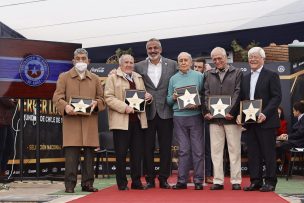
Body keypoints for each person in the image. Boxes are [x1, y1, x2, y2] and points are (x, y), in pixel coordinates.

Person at [53, 48, 106, 193]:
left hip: (89, 122)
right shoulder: (64, 77)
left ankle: (87, 184)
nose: (81, 61)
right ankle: (69, 185)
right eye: (78, 58)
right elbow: (57, 97)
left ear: (88, 61)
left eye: (84, 58)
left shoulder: (95, 78)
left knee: (89, 154)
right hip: (72, 121)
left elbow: (102, 99)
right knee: (71, 155)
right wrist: (66, 107)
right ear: (73, 60)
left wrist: (96, 103)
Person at [134, 38, 178, 189]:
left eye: (155, 48)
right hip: (147, 112)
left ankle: (164, 178)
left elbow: (180, 79)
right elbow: (127, 75)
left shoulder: (172, 64)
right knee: (147, 148)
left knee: (166, 147)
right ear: (146, 50)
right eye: (150, 48)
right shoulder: (138, 66)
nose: (152, 51)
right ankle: (150, 179)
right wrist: (114, 70)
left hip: (167, 111)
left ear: (161, 49)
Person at [104, 54, 152, 190]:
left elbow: (143, 95)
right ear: (120, 64)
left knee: (137, 154)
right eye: (126, 62)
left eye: (131, 62)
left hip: (137, 121)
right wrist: (124, 107)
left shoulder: (138, 77)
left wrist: (148, 98)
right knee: (121, 155)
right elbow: (108, 97)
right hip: (121, 122)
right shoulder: (112, 77)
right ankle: (122, 183)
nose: (129, 64)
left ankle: (136, 182)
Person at [240, 47, 282, 192]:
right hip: (250, 123)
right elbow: (242, 100)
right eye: (250, 57)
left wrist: (265, 113)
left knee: (268, 153)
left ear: (263, 59)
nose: (252, 59)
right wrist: (239, 115)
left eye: (255, 57)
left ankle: (270, 181)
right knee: (253, 153)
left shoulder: (271, 75)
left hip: (267, 121)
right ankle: (255, 181)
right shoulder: (245, 78)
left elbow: (277, 97)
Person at [203, 47, 243, 190]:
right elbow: (205, 94)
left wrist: (232, 111)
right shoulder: (208, 74)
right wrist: (206, 111)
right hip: (214, 119)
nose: (217, 61)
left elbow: (238, 93)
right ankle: (218, 180)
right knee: (216, 151)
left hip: (231, 118)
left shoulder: (237, 72)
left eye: (220, 58)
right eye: (214, 59)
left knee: (234, 149)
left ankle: (236, 180)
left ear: (226, 57)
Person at [167, 52, 204, 190]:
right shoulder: (173, 79)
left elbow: (204, 95)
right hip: (179, 117)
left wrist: (198, 103)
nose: (183, 62)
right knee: (183, 150)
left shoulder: (199, 76)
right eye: (180, 60)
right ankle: (182, 180)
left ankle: (199, 180)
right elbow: (168, 100)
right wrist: (174, 98)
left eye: (185, 60)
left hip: (195, 116)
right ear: (178, 63)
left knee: (198, 150)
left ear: (190, 62)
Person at [193, 57, 213, 184]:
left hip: (206, 116)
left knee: (207, 146)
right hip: (193, 116)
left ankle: (209, 174)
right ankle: (194, 173)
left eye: (199, 67)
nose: (197, 69)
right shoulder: (190, 79)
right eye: (195, 67)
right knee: (193, 147)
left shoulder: (208, 79)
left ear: (205, 68)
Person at [0, 98, 16, 181]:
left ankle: (2, 171)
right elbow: (7, 102)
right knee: (1, 148)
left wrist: (12, 101)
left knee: (9, 148)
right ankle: (1, 173)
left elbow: (14, 102)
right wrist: (11, 101)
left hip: (7, 122)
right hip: (1, 122)